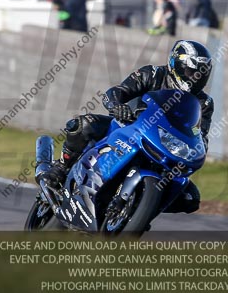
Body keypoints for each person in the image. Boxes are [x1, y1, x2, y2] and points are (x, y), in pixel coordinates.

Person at [39, 40, 214, 214]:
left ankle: (140, 211)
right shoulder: (152, 74)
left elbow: (200, 133)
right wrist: (117, 106)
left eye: (200, 73)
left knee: (190, 198)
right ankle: (61, 168)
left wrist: (198, 149)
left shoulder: (204, 103)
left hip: (164, 147)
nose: (194, 77)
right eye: (191, 71)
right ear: (176, 64)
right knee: (83, 125)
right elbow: (117, 92)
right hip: (126, 127)